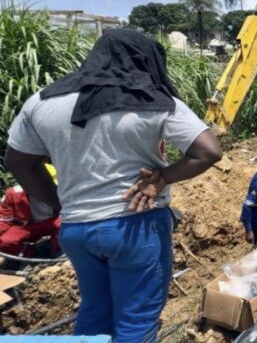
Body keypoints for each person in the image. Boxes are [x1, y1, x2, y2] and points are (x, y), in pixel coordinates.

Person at [4, 28, 222, 343]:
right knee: (137, 320)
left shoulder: (42, 101)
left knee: (94, 312)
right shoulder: (154, 99)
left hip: (76, 230)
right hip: (135, 226)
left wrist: (59, 202)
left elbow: (18, 162)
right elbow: (209, 151)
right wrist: (162, 177)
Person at [0, 163, 61, 262]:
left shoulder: (61, 189)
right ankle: (31, 254)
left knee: (69, 225)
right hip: (29, 226)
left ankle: (57, 248)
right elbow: (4, 220)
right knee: (5, 242)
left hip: (56, 220)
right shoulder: (13, 194)